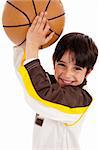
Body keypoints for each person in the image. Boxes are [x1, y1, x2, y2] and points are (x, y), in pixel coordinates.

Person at [13, 12, 98, 150]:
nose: (67, 74)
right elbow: (27, 77)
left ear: (88, 72)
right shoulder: (52, 85)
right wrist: (24, 43)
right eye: (62, 65)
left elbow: (39, 96)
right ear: (54, 63)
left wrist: (33, 46)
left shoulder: (81, 99)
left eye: (77, 68)